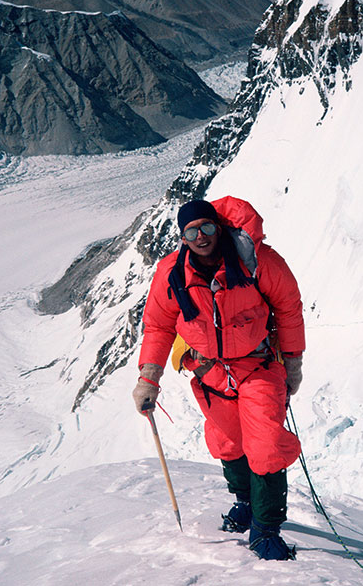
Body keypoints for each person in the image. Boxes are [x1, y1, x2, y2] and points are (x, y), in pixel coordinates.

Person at [132, 196, 305, 560]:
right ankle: (245, 502)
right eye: (191, 231)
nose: (201, 237)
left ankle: (266, 528)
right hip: (209, 371)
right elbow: (159, 325)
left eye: (207, 227)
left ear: (219, 227)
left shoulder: (256, 260)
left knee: (267, 445)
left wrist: (292, 363)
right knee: (228, 442)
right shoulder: (172, 273)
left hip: (257, 365)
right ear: (182, 237)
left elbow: (288, 307)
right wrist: (149, 377)